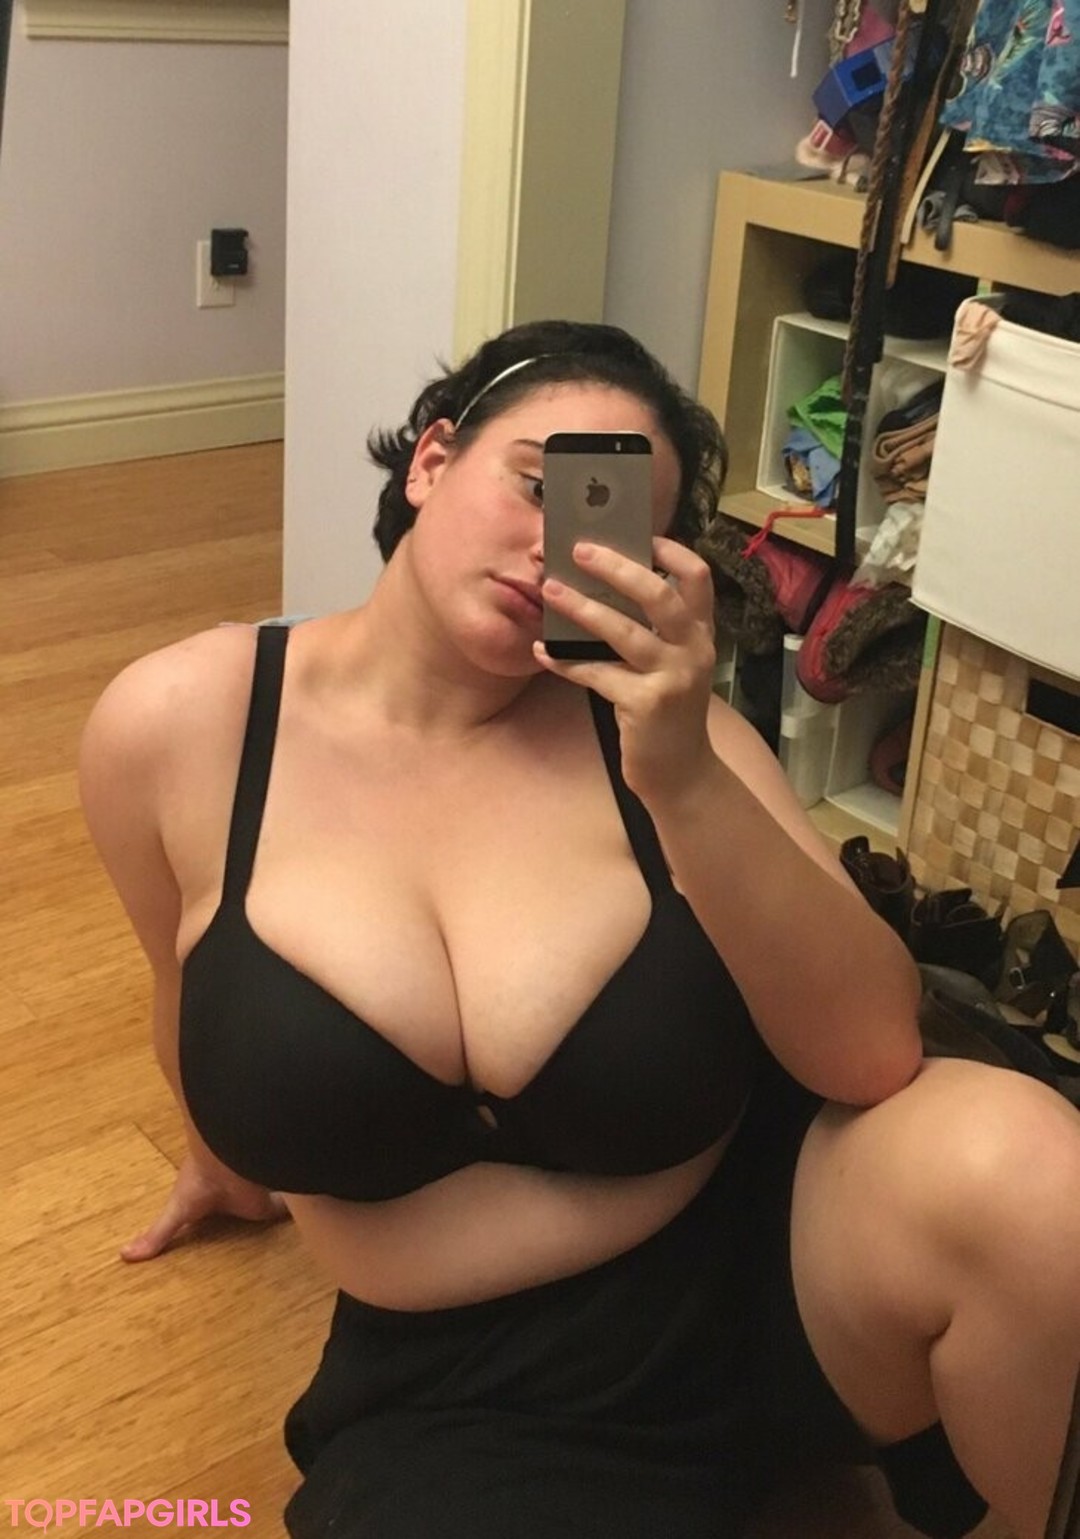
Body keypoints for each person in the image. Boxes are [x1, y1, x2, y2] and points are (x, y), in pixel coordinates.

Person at [78, 319, 1080, 1539]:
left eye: (604, 525)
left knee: (1038, 1182)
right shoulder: (181, 726)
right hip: (463, 1395)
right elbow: (182, 978)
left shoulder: (666, 739)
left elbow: (874, 1054)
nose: (552, 549)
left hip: (786, 1271)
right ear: (432, 461)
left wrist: (683, 773)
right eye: (533, 483)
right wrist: (222, 1155)